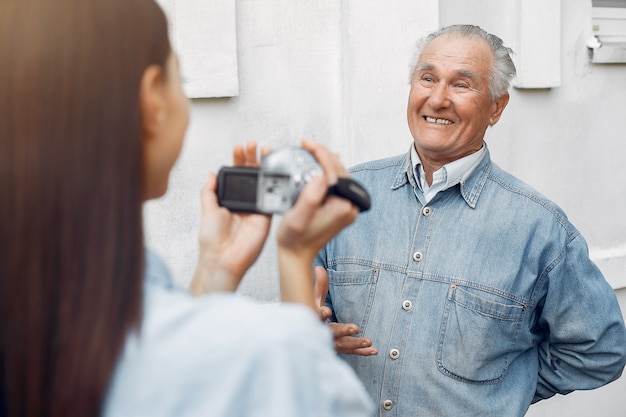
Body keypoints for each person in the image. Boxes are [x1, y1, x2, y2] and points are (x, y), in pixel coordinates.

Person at [0, 1, 374, 416]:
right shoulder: (269, 358)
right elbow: (309, 393)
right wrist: (295, 257)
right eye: (182, 78)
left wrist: (217, 271)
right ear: (152, 98)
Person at [314, 24, 626, 416]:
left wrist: (508, 388)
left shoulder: (539, 229)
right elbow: (311, 309)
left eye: (461, 85)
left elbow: (600, 350)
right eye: (427, 78)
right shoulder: (345, 196)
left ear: (496, 107)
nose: (438, 98)